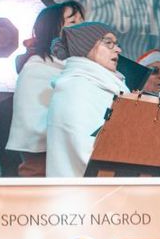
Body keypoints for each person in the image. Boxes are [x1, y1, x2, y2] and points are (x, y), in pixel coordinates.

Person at [7, 1, 85, 176]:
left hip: (77, 160)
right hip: (44, 164)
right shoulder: (36, 68)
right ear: (51, 30)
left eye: (83, 21)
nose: (82, 27)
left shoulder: (81, 66)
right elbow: (33, 124)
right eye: (73, 22)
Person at [44, 23, 129, 177]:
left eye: (116, 44)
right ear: (86, 46)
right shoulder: (77, 87)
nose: (118, 49)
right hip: (85, 193)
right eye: (108, 43)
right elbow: (86, 150)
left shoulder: (102, 85)